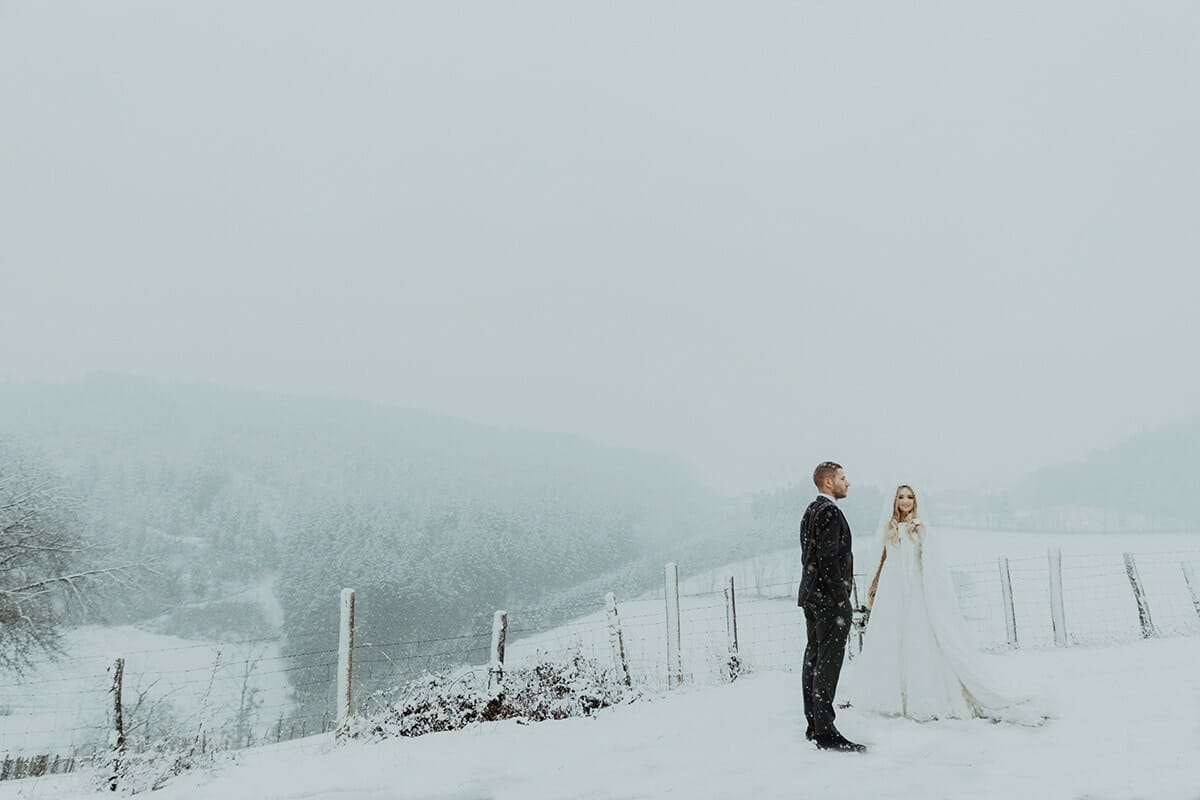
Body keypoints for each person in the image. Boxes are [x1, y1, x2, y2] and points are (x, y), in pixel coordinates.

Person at [852, 484, 1045, 724]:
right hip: (892, 590)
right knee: (891, 639)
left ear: (916, 501)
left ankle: (920, 695)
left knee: (918, 639)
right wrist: (874, 584)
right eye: (901, 497)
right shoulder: (888, 528)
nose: (905, 501)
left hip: (915, 589)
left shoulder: (921, 528)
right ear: (894, 501)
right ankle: (891, 696)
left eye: (909, 497)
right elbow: (882, 558)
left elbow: (931, 562)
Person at [797, 461, 866, 752]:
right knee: (828, 663)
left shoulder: (811, 511)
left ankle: (814, 726)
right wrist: (840, 597)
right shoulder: (830, 512)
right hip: (828, 601)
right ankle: (825, 732)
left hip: (812, 597)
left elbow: (808, 555)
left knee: (813, 658)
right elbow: (828, 559)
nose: (847, 483)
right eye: (842, 478)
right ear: (828, 483)